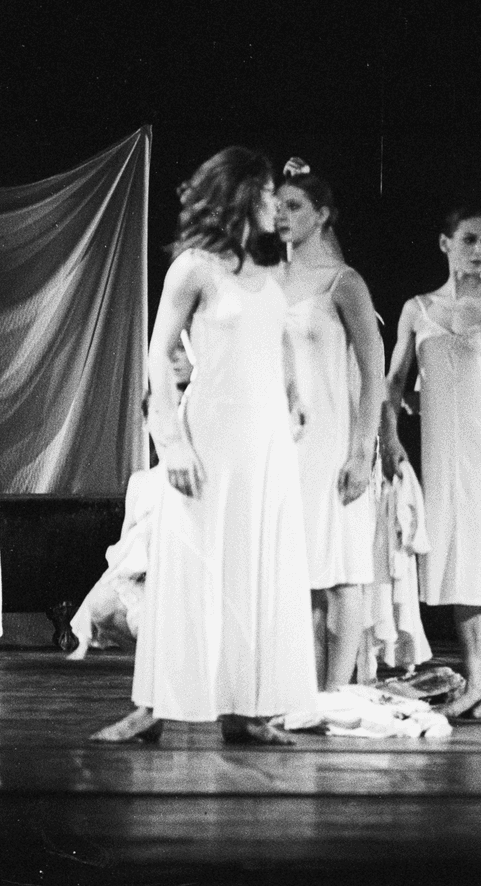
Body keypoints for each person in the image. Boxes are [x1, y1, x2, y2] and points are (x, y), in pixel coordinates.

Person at [92, 147, 317, 745]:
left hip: (266, 439)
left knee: (256, 568)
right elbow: (158, 358)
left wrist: (294, 390)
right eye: (268, 193)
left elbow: (279, 335)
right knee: (193, 567)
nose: (275, 205)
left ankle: (250, 708)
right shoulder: (195, 267)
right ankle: (154, 706)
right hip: (211, 434)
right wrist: (174, 445)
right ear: (242, 194)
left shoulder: (270, 268)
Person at [380, 209, 481, 721]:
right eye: (469, 239)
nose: (480, 248)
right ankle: (475, 679)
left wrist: (472, 401)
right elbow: (395, 381)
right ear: (445, 243)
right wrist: (394, 435)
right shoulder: (417, 309)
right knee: (458, 564)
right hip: (444, 454)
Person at [275, 158, 386, 691]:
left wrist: (362, 451)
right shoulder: (268, 280)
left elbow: (373, 370)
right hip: (286, 444)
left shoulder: (344, 281)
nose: (281, 214)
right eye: (276, 205)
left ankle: (338, 692)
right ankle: (303, 686)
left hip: (334, 442)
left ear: (321, 214)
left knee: (342, 570)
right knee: (299, 574)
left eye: (293, 205)